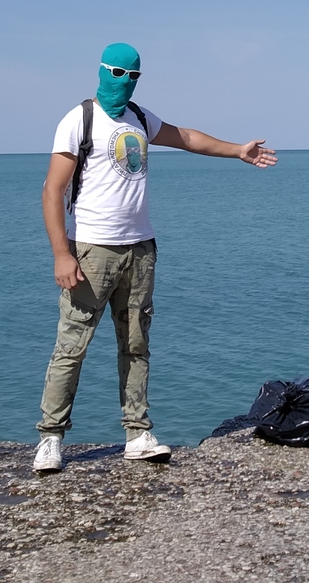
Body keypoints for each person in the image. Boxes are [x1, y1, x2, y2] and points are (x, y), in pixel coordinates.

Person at [32, 42, 277, 474]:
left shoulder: (140, 118)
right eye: (118, 73)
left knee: (136, 345)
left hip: (141, 250)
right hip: (92, 253)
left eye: (133, 76)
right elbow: (52, 190)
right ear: (103, 71)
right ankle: (50, 439)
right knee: (71, 347)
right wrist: (61, 253)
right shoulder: (80, 119)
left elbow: (185, 138)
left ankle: (137, 434)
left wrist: (237, 149)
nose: (124, 82)